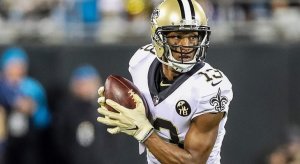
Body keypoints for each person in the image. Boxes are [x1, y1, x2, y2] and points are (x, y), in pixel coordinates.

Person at [96, 0, 233, 163]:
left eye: (193, 36)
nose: (187, 45)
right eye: (177, 36)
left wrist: (143, 132)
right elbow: (145, 108)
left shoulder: (210, 87)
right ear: (159, 38)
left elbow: (194, 162)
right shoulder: (141, 61)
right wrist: (122, 109)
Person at [52, 64, 116, 164]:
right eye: (81, 84)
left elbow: (113, 141)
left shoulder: (106, 108)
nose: (86, 88)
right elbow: (61, 140)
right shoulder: (66, 110)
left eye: (89, 83)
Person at [0, 47, 51, 164]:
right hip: (5, 144)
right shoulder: (2, 86)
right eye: (12, 65)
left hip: (28, 143)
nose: (16, 69)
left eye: (19, 65)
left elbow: (44, 118)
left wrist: (33, 109)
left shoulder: (33, 87)